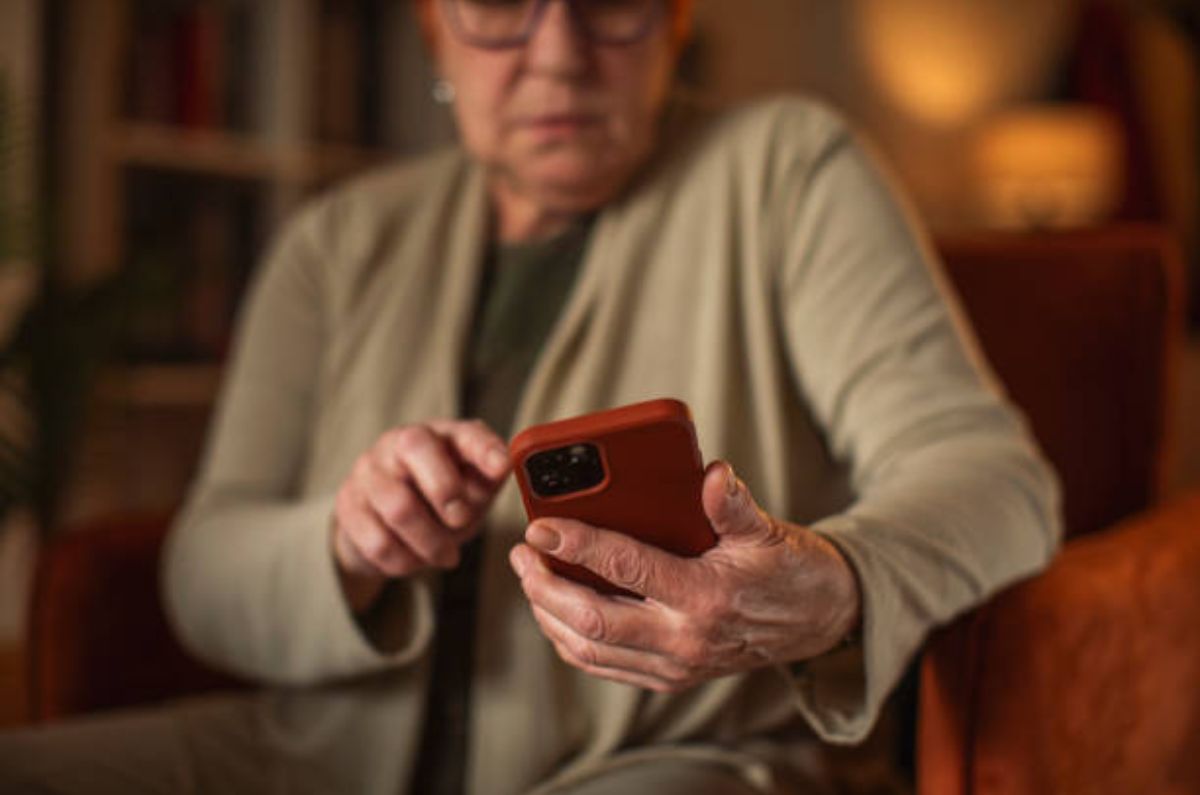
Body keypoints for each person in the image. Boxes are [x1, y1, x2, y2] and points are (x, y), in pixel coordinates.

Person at [0, 0, 1061, 792]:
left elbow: (997, 481)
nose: (558, 52)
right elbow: (202, 572)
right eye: (501, 3)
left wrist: (833, 588)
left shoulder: (788, 170)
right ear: (433, 29)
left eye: (610, 2)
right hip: (312, 763)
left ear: (675, 20)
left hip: (679, 763)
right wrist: (347, 545)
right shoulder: (335, 242)